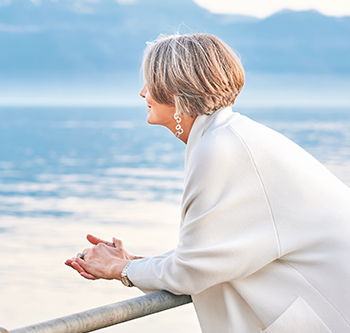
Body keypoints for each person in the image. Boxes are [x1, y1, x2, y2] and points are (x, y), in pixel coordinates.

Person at [65, 33, 350, 333]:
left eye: (149, 83)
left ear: (174, 90)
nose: (141, 93)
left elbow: (192, 272)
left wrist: (119, 268)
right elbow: (216, 253)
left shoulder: (219, 148)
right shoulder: (230, 136)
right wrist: (132, 261)